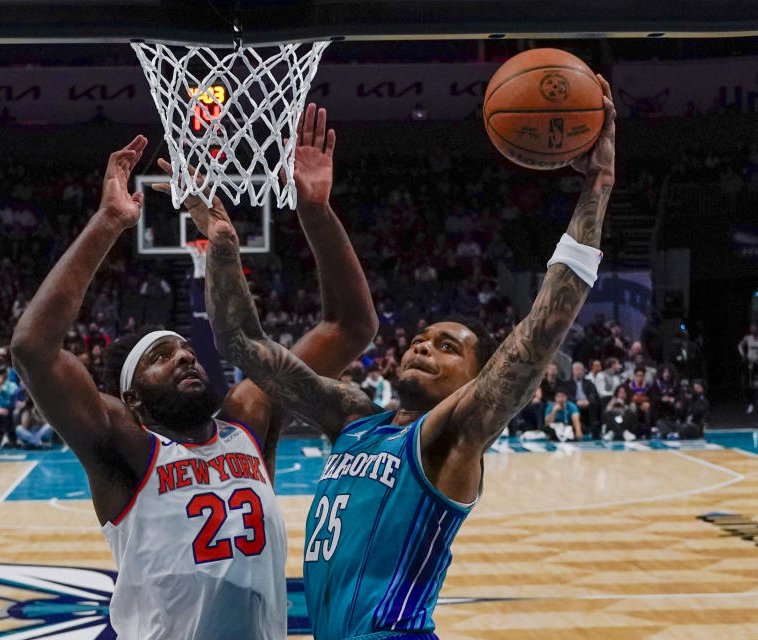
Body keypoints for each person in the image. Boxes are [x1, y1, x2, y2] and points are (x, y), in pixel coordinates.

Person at [201, 79, 616, 640]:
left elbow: (544, 326)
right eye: (423, 338)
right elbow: (242, 346)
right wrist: (229, 240)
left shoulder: (453, 435)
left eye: (450, 347)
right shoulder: (353, 418)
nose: (425, 346)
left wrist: (597, 183)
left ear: (477, 379)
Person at [11, 106, 376, 640]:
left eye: (185, 348)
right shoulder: (126, 450)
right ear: (132, 400)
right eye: (161, 356)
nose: (184, 356)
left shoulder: (249, 417)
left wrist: (316, 210)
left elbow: (350, 326)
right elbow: (33, 350)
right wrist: (108, 221)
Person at [561, 361, 600, 438]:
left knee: (595, 405)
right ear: (573, 371)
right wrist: (576, 402)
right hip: (575, 403)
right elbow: (567, 395)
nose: (580, 372)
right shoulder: (567, 383)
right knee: (571, 406)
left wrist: (588, 401)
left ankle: (593, 430)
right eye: (577, 370)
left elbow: (593, 394)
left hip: (587, 403)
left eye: (581, 370)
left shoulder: (589, 382)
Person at [739, 323, 758, 414]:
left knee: (756, 385)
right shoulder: (748, 338)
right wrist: (743, 355)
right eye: (751, 328)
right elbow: (739, 346)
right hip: (750, 364)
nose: (753, 329)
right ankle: (751, 404)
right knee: (750, 385)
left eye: (754, 328)